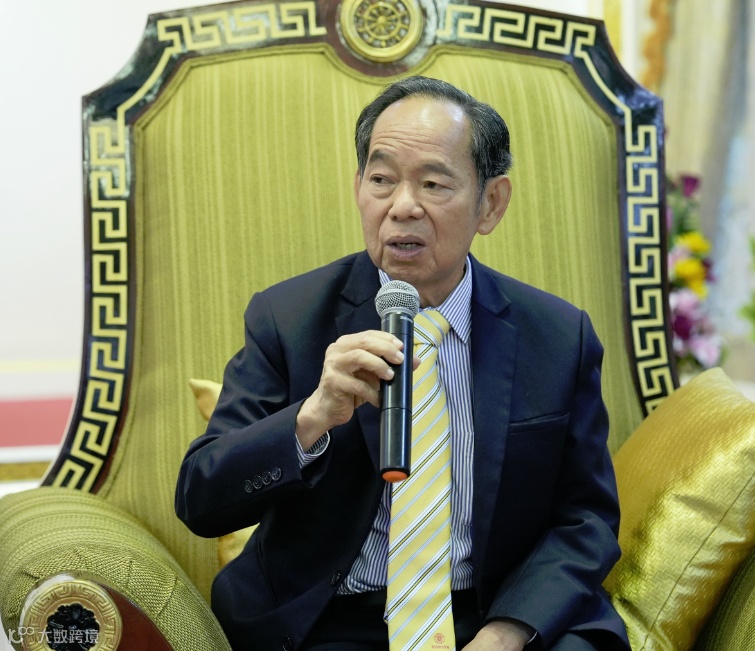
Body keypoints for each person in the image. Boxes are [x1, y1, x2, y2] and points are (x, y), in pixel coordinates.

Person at [175, 76, 630, 651]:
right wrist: (312, 417)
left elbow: (585, 517)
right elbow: (201, 500)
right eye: (382, 179)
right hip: (332, 620)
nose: (402, 206)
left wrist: (510, 630)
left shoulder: (559, 337)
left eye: (434, 183)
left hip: (496, 609)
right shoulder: (287, 319)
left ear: (491, 203)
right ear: (359, 187)